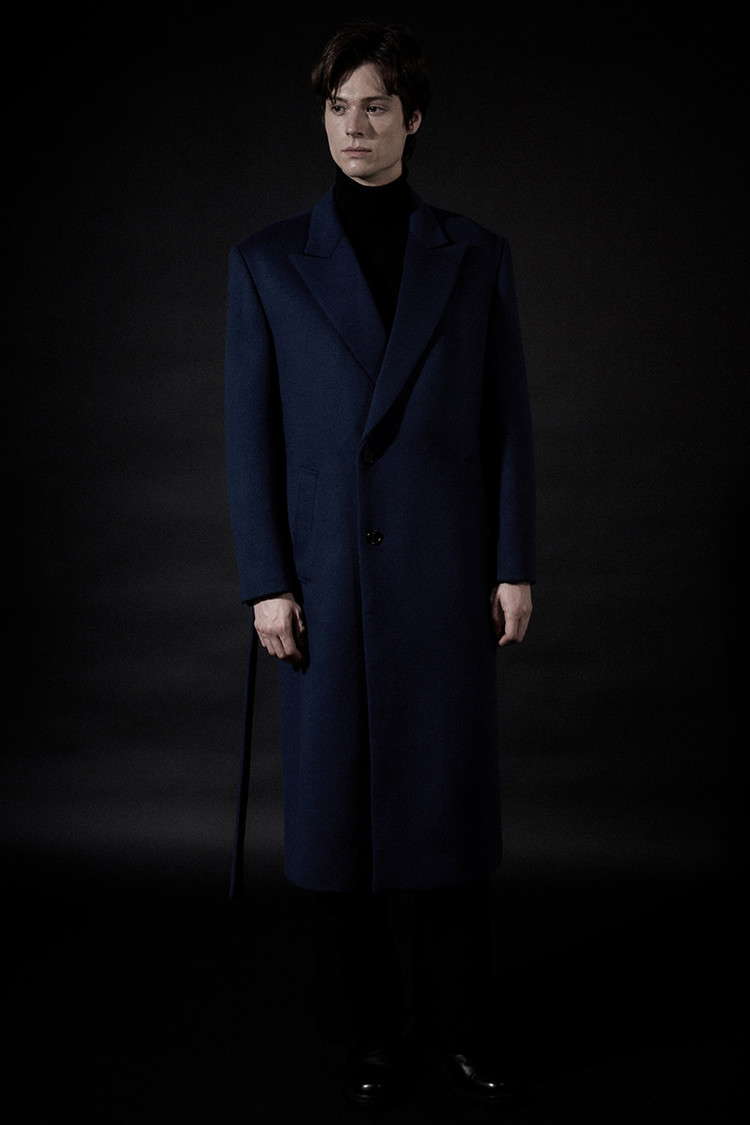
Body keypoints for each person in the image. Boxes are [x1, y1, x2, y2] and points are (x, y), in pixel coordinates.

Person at [225, 21, 535, 1110]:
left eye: (375, 107)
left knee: (450, 816)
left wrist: (513, 562)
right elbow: (249, 437)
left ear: (413, 119)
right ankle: (373, 1034)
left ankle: (460, 1030)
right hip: (325, 584)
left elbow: (506, 425)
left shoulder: (475, 254)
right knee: (335, 820)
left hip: (445, 577)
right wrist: (266, 579)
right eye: (336, 107)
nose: (353, 127)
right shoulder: (267, 262)